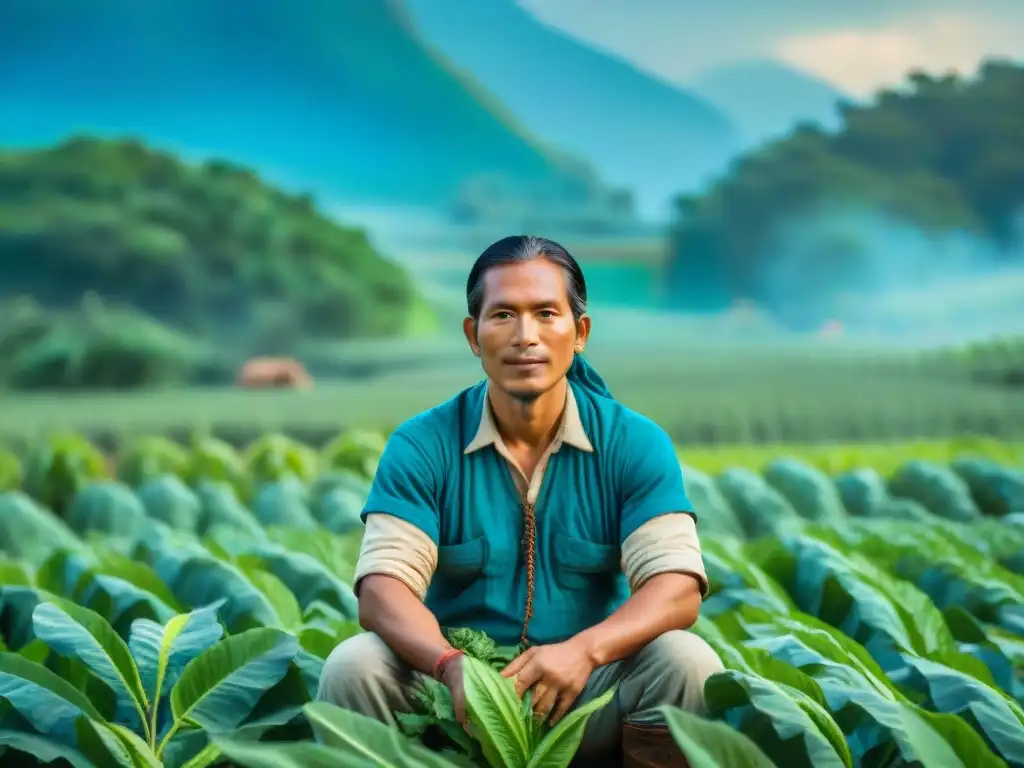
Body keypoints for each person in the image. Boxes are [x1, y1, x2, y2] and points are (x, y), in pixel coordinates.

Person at [317, 235, 724, 767]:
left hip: (585, 691)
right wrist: (450, 665)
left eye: (546, 314)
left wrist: (585, 650)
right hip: (453, 695)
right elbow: (381, 590)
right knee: (355, 665)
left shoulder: (633, 443)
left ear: (579, 333)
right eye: (503, 314)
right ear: (473, 334)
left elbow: (677, 588)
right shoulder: (423, 444)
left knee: (686, 661)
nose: (525, 336)